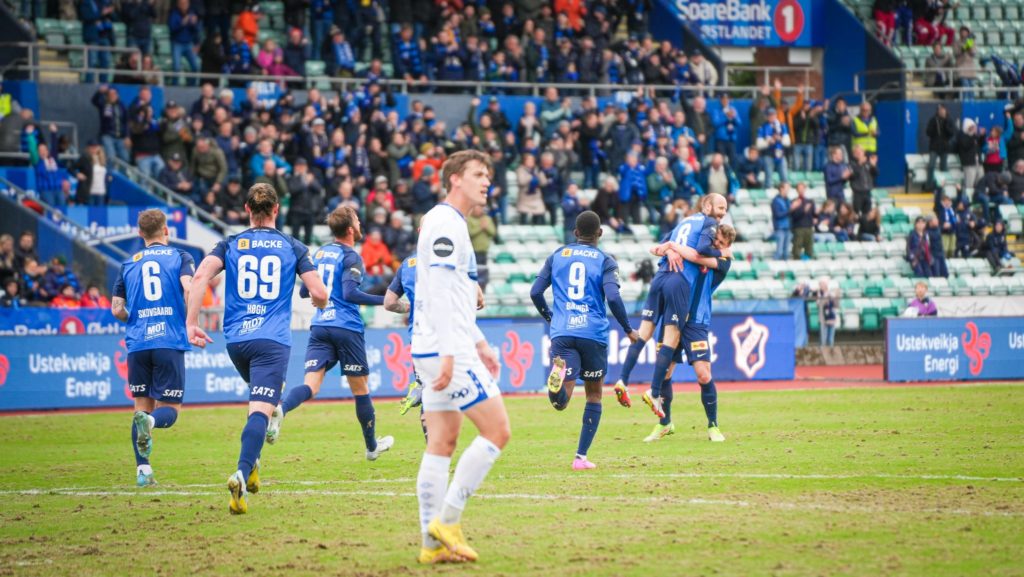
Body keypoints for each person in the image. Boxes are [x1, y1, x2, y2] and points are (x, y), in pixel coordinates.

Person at [185, 184, 328, 515]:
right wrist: (316, 297)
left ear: (247, 210)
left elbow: (199, 277)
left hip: (236, 340)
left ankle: (253, 467)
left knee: (263, 398)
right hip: (271, 340)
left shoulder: (230, 243)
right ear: (277, 209)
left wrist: (191, 323)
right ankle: (239, 471)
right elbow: (319, 293)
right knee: (261, 409)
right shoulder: (293, 246)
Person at [411, 150, 509, 564]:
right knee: (497, 430)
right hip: (444, 348)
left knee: (441, 442)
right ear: (454, 179)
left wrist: (480, 342)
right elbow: (436, 295)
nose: (487, 181)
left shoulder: (450, 223)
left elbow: (456, 296)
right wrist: (455, 351)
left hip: (435, 346)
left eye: (488, 175)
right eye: (478, 174)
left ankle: (431, 546)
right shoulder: (445, 223)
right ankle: (448, 520)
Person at [267, 205, 394, 459]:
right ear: (350, 229)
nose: (360, 223)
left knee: (311, 385)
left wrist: (322, 296)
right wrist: (386, 300)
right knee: (361, 390)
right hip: (346, 326)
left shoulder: (320, 252)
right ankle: (371, 448)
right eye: (357, 220)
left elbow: (305, 291)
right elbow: (349, 293)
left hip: (321, 325)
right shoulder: (351, 256)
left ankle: (282, 408)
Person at [530, 210, 638, 470]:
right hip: (593, 333)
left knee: (562, 402)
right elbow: (613, 298)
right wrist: (627, 328)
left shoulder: (557, 256)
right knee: (594, 395)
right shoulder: (605, 261)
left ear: (575, 233)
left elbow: (535, 292)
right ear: (600, 233)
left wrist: (550, 317)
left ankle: (556, 387)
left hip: (563, 332)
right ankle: (580, 458)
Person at [612, 194, 729, 398]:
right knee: (671, 338)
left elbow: (657, 247)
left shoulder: (684, 222)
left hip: (661, 278)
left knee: (644, 332)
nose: (723, 213)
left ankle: (623, 379)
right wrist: (721, 252)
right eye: (720, 208)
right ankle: (654, 393)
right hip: (679, 284)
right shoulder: (708, 224)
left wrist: (671, 249)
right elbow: (700, 251)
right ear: (707, 206)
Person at [111, 210, 195, 487]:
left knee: (141, 409)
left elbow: (116, 309)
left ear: (140, 233)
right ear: (166, 230)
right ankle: (152, 424)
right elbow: (188, 287)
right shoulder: (180, 257)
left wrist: (135, 318)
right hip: (168, 340)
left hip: (138, 343)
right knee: (169, 410)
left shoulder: (128, 264)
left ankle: (143, 471)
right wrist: (189, 318)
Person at [647, 224, 736, 442]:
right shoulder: (694, 245)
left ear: (728, 246)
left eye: (722, 244)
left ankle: (713, 425)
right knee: (666, 372)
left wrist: (674, 247)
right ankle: (665, 423)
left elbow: (698, 258)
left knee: (703, 374)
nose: (717, 245)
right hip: (672, 317)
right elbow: (656, 248)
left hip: (696, 320)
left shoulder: (723, 261)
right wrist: (669, 249)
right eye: (716, 240)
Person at [926, 104, 956, 188]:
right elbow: (928, 132)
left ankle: (943, 186)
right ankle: (929, 186)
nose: (941, 112)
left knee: (943, 167)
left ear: (946, 111)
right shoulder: (933, 120)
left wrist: (945, 123)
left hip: (944, 147)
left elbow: (951, 133)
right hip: (934, 146)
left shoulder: (949, 120)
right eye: (940, 110)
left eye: (943, 110)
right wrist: (934, 128)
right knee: (931, 166)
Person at [790, 182, 816, 259]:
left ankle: (808, 260)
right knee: (797, 246)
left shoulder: (810, 201)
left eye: (802, 188)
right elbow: (793, 216)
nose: (801, 190)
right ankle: (797, 260)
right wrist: (803, 211)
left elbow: (814, 214)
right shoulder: (794, 202)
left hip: (808, 226)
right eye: (799, 189)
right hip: (799, 227)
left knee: (809, 246)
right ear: (797, 190)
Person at [771, 183, 792, 260]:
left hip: (788, 227)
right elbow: (778, 214)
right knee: (779, 251)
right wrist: (790, 210)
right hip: (780, 228)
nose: (788, 191)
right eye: (787, 189)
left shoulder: (788, 200)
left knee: (786, 253)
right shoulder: (776, 200)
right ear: (781, 189)